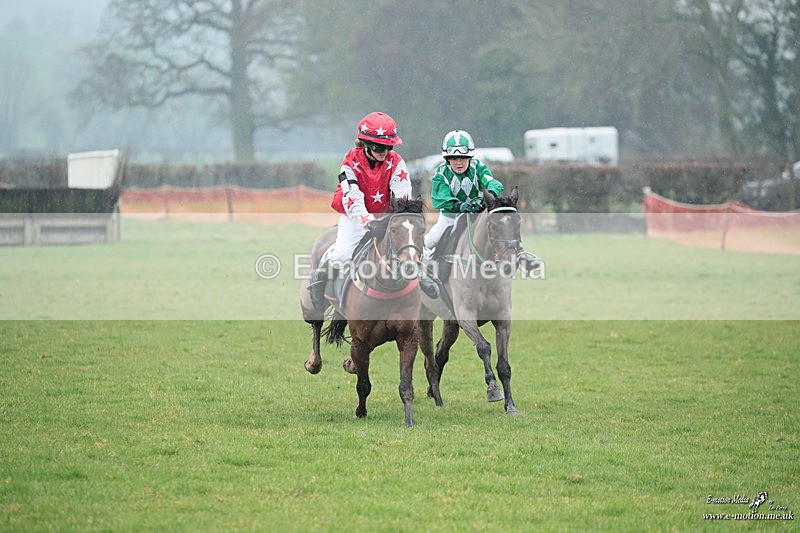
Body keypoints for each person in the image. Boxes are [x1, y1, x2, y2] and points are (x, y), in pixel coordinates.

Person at [308, 112, 438, 310]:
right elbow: (353, 198)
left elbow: (402, 195)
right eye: (379, 146)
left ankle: (424, 275)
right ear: (365, 143)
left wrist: (396, 219)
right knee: (342, 254)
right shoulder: (350, 161)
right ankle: (320, 274)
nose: (384, 151)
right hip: (355, 216)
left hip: (387, 216)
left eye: (389, 146)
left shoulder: (396, 162)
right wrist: (368, 222)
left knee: (423, 251)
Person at [424, 129, 542, 271]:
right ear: (447, 158)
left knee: (502, 228)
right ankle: (425, 268)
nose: (458, 162)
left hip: (478, 216)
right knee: (428, 242)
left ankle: (521, 255)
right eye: (453, 158)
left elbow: (493, 183)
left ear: (470, 157)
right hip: (450, 218)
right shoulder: (440, 174)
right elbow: (442, 198)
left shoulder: (478, 168)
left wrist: (490, 195)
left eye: (463, 157)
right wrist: (460, 206)